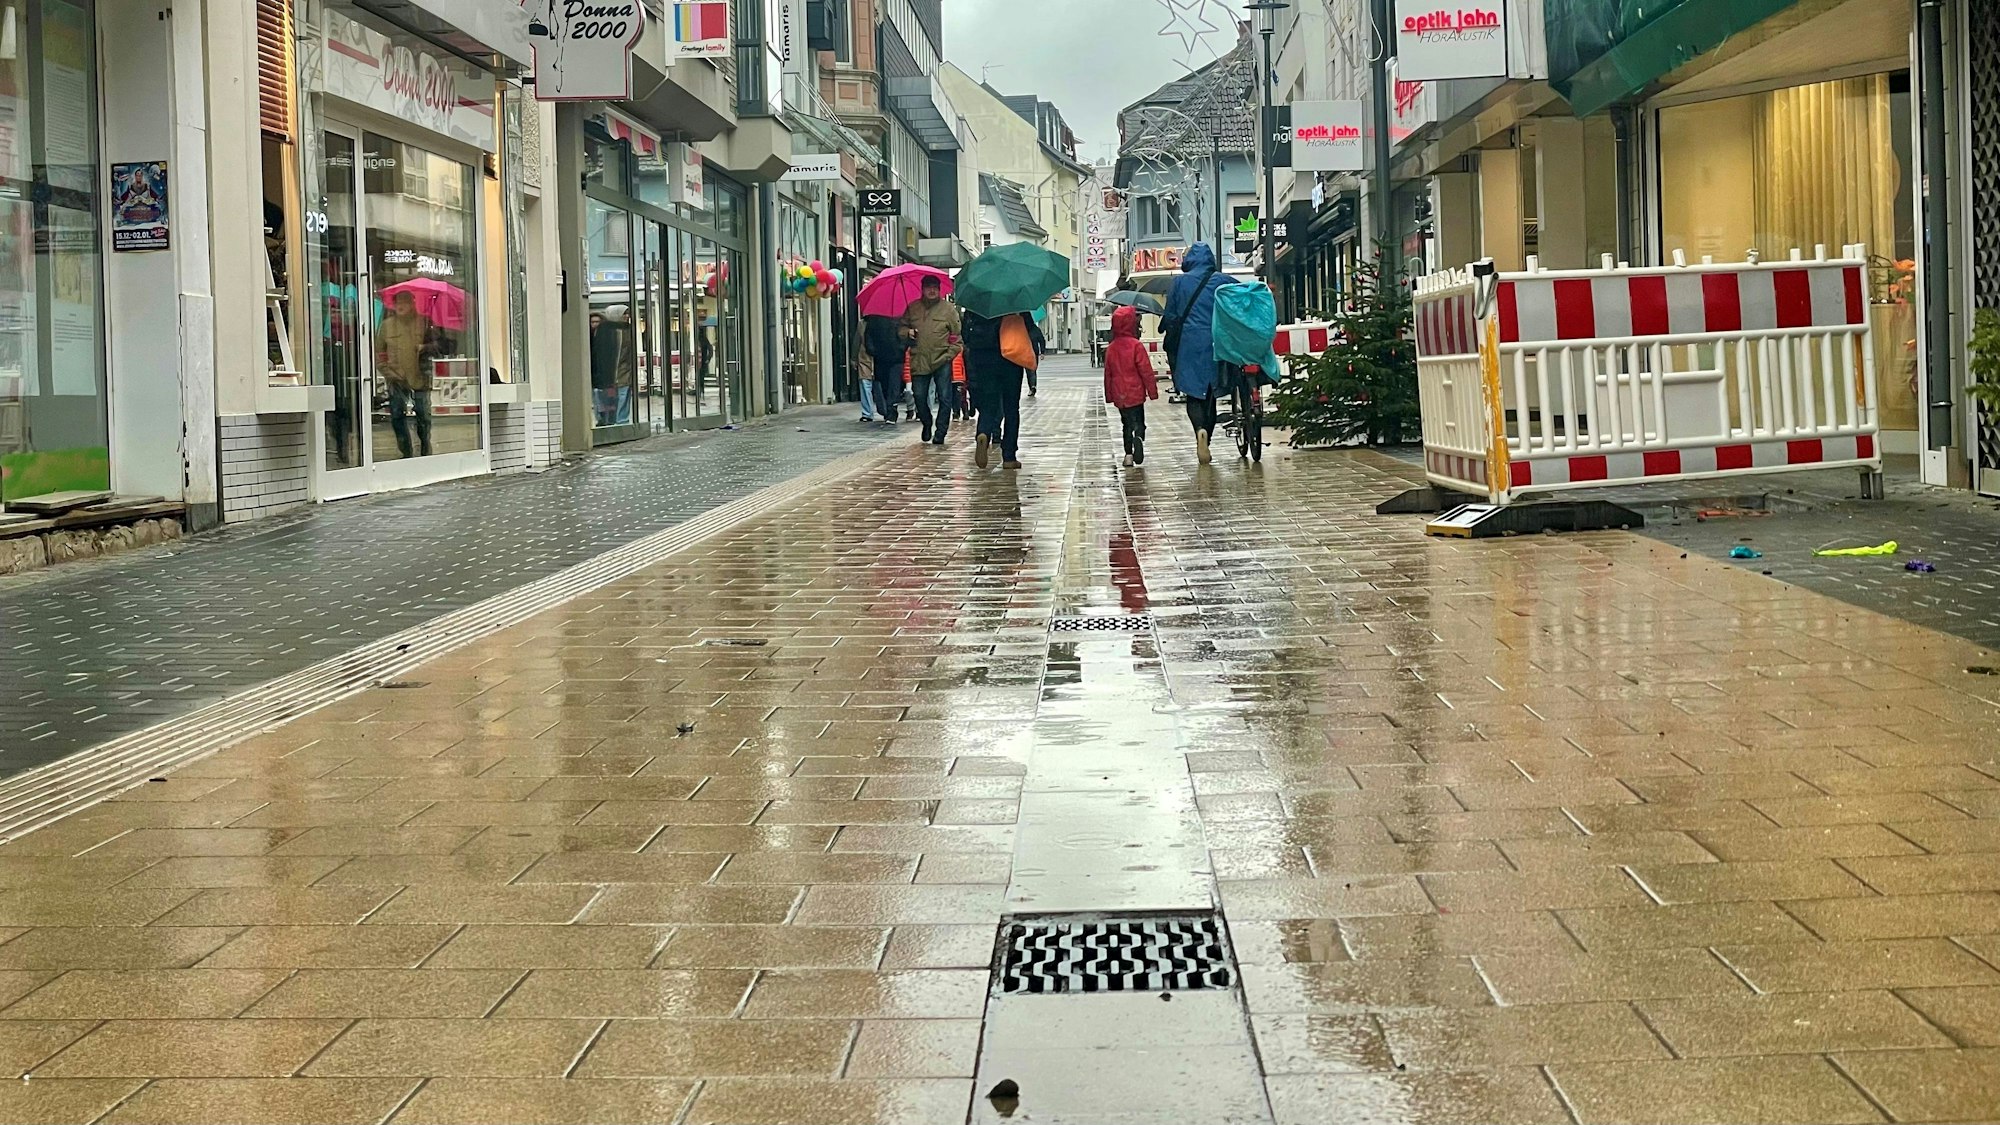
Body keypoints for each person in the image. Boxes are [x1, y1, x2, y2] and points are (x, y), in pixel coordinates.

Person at [1162, 242, 1232, 465]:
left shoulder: (1179, 282)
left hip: (1190, 343)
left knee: (1194, 394)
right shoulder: (1223, 281)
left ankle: (1199, 430)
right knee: (1211, 393)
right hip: (1217, 341)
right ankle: (1208, 438)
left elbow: (1171, 315)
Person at [963, 307, 1043, 469]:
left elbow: (966, 334)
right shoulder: (1016, 303)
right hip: (1010, 357)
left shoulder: (977, 304)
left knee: (988, 403)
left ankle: (983, 432)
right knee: (1011, 407)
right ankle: (1009, 456)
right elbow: (1030, 329)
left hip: (984, 358)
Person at [898, 277, 963, 445]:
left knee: (945, 397)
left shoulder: (949, 310)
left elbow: (958, 338)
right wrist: (907, 332)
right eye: (928, 287)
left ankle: (941, 432)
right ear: (923, 289)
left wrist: (948, 355)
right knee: (919, 395)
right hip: (919, 359)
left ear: (940, 289)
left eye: (935, 287)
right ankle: (927, 422)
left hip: (942, 360)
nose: (932, 291)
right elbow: (900, 329)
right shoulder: (913, 308)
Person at [377, 291, 434, 458]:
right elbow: (378, 353)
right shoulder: (387, 326)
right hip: (396, 378)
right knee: (397, 415)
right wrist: (388, 372)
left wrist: (426, 347)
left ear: (412, 304)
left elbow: (439, 346)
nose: (400, 306)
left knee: (424, 416)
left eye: (405, 302)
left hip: (420, 376)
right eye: (397, 303)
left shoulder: (424, 322)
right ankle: (406, 453)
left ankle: (425, 447)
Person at [1102, 305, 1158, 467]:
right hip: (1136, 391)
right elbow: (1145, 371)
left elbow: (1108, 374)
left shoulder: (1111, 348)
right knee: (1139, 420)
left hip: (1120, 393)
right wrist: (1152, 391)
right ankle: (1139, 437)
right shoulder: (1136, 346)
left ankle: (1128, 454)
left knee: (1125, 423)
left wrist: (1109, 395)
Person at [863, 312, 908, 423]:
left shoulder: (902, 317)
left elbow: (905, 335)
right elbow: (868, 336)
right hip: (880, 358)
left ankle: (892, 411)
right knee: (884, 385)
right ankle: (888, 409)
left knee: (894, 385)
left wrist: (902, 348)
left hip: (896, 358)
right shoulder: (874, 318)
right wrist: (873, 351)